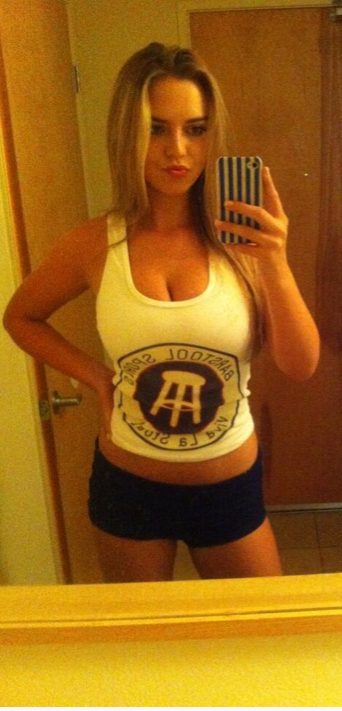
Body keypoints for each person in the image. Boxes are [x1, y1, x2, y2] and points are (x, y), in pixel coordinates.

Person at [3, 43, 320, 583]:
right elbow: (21, 317)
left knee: (256, 629)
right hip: (128, 488)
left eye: (195, 129)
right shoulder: (93, 243)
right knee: (145, 634)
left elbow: (300, 364)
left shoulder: (243, 240)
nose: (178, 150)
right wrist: (97, 378)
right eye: (155, 128)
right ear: (126, 133)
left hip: (228, 489)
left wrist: (275, 262)